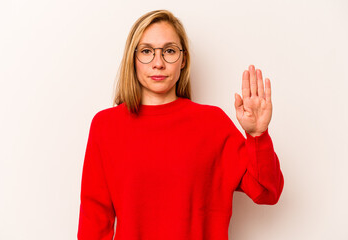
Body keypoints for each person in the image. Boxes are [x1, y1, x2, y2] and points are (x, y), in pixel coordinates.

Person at [77, 9, 284, 240]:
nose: (158, 63)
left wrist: (257, 135)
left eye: (169, 51)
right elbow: (93, 222)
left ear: (183, 59)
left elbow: (267, 192)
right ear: (133, 58)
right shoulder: (106, 126)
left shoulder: (212, 124)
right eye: (146, 51)